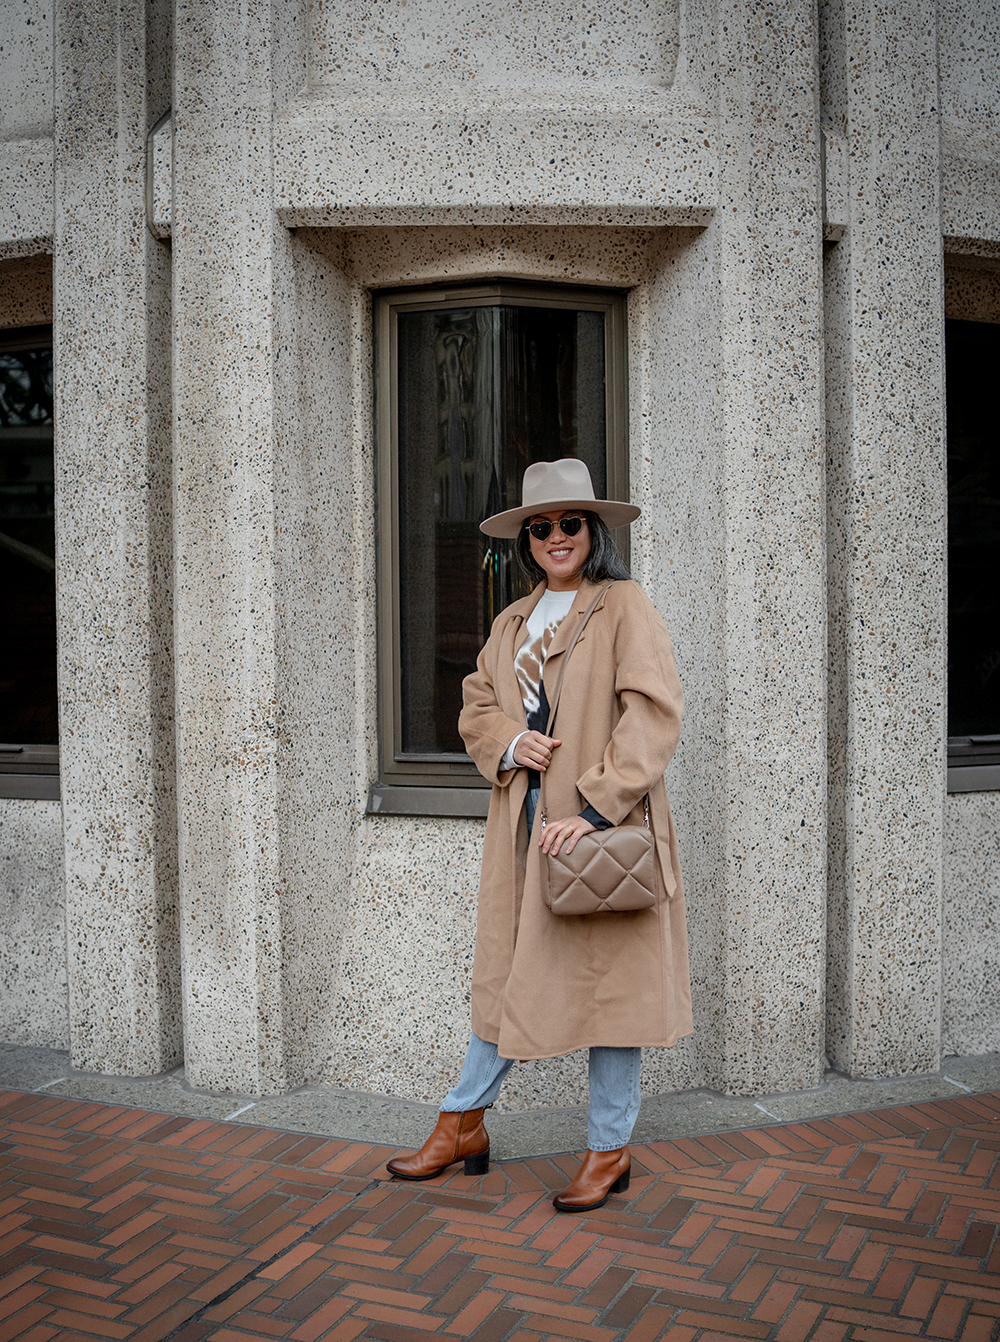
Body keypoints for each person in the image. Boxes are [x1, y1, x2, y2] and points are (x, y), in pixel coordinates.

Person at [387, 458, 692, 1212]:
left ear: (591, 531)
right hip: (520, 825)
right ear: (526, 540)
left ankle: (607, 1148)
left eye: (569, 523)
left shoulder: (623, 606)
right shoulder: (511, 621)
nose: (556, 536)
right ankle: (463, 1123)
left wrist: (594, 809)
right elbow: (476, 704)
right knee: (506, 975)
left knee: (610, 987)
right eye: (541, 526)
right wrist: (507, 742)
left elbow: (654, 715)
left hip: (595, 826)